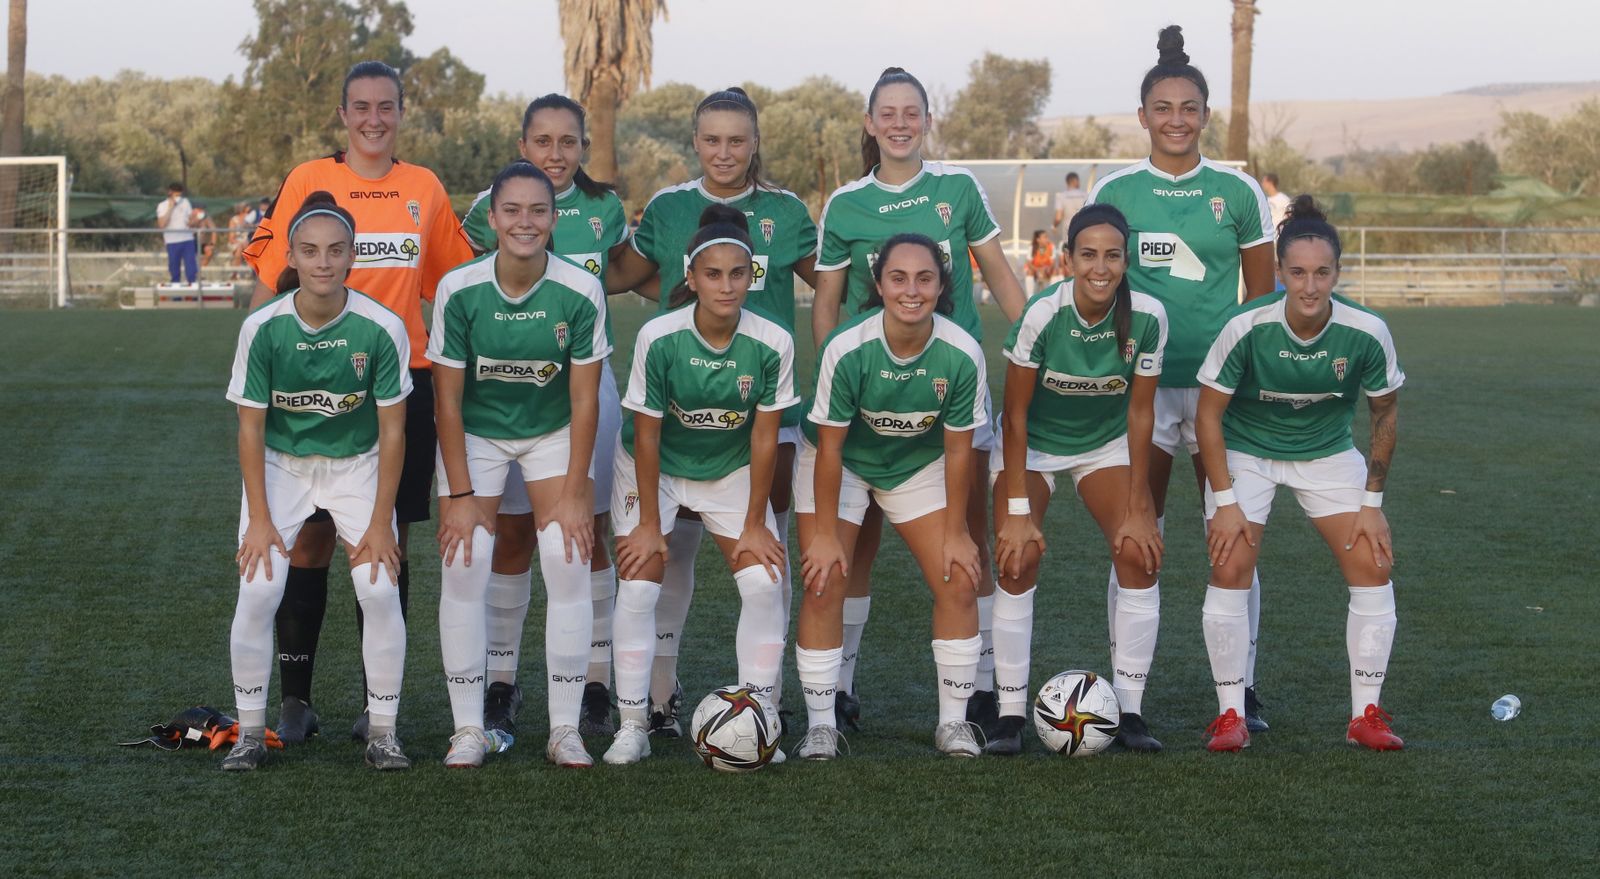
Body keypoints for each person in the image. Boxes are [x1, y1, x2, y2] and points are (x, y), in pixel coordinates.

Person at [242, 60, 475, 744]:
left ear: (401, 112)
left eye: (386, 106)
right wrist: (254, 367)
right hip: (313, 387)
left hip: (402, 386)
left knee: (385, 542)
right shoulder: (308, 180)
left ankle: (381, 707)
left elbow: (455, 285)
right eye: (362, 107)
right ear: (342, 115)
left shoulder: (424, 188)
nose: (375, 119)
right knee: (309, 540)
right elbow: (268, 281)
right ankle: (296, 701)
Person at [812, 67, 1027, 735]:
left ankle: (981, 687)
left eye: (913, 112)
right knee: (854, 549)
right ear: (870, 123)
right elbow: (826, 306)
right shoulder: (846, 203)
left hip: (951, 393)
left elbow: (1000, 276)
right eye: (889, 113)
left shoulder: (957, 189)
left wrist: (1036, 347)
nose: (901, 123)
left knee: (967, 538)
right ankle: (838, 691)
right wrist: (837, 379)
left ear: (927, 122)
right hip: (867, 396)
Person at [1085, 25, 1277, 746]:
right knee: (1137, 534)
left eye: (1188, 107)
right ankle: (1126, 694)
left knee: (1234, 538)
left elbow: (1262, 302)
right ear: (1142, 116)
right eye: (1163, 107)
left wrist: (1247, 380)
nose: (1176, 119)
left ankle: (1241, 687)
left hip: (1220, 394)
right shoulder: (1115, 191)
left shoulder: (1238, 191)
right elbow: (1096, 286)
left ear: (1205, 114)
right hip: (1139, 389)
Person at [605, 86, 817, 737]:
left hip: (761, 412)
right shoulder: (669, 207)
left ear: (755, 144)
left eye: (737, 140)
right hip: (677, 408)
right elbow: (621, 274)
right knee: (669, 557)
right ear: (696, 142)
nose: (724, 152)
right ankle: (657, 698)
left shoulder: (785, 210)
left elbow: (832, 280)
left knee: (767, 549)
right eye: (712, 140)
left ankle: (766, 700)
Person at [1195, 195, 1404, 752]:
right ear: (1280, 272)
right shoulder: (1246, 326)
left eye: (1322, 273)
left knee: (1373, 564)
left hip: (1327, 452)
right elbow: (1207, 416)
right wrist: (1226, 502)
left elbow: (1384, 415)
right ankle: (1231, 715)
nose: (1310, 287)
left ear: (1338, 272)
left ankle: (1365, 715)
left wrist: (1372, 504)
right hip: (1248, 450)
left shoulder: (1367, 331)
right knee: (1230, 563)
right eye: (1298, 273)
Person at [459, 94, 632, 741]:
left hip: (586, 387)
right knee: (510, 537)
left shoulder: (605, 209)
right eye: (543, 141)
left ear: (584, 146)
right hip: (504, 392)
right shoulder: (489, 207)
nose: (555, 154)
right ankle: (502, 683)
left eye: (568, 141)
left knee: (587, 532)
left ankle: (595, 683)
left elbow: (629, 273)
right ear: (522, 145)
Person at [221, 193, 411, 771]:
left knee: (379, 589)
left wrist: (380, 522)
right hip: (283, 466)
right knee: (259, 589)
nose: (323, 262)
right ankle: (250, 734)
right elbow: (250, 429)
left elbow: (393, 431)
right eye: (309, 251)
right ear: (292, 256)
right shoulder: (262, 328)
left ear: (352, 256)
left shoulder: (383, 327)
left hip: (358, 465)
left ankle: (383, 732)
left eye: (334, 250)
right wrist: (259, 520)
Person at [429, 162, 610, 768]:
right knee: (465, 559)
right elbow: (447, 402)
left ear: (554, 218)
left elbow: (585, 400)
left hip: (551, 432)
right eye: (512, 210)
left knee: (566, 554)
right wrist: (459, 496)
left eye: (537, 210)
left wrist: (578, 490)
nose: (524, 222)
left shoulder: (579, 289)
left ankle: (564, 730)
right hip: (477, 434)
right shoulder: (460, 288)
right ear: (492, 218)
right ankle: (467, 729)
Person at [793, 233, 989, 759]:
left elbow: (959, 451)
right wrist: (826, 535)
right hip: (841, 463)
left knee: (959, 577)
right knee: (824, 580)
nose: (911, 290)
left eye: (925, 278)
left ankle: (953, 723)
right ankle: (821, 725)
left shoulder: (962, 353)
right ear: (878, 285)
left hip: (915, 464)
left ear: (941, 285)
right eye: (898, 278)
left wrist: (957, 533)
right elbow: (830, 449)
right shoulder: (846, 348)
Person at [985, 204, 1167, 755]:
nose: (1100, 267)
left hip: (1103, 445)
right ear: (1067, 259)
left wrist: (1139, 504)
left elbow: (1140, 413)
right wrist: (1019, 514)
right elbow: (1016, 416)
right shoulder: (1043, 314)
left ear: (1127, 260)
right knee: (1017, 558)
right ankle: (1009, 714)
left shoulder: (1149, 317)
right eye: (1088, 254)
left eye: (1112, 255)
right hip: (1033, 447)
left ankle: (1130, 711)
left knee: (1138, 552)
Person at [157, 182, 198, 285]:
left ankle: (193, 290)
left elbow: (191, 221)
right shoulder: (162, 205)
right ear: (170, 193)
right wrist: (171, 207)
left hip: (187, 239)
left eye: (180, 195)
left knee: (191, 269)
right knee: (174, 269)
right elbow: (162, 224)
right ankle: (175, 291)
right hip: (172, 241)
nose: (178, 198)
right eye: (176, 195)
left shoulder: (186, 202)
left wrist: (193, 220)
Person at [1053, 171, 1087, 249]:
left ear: (1067, 182)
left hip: (1068, 231)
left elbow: (1058, 217)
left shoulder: (1061, 196)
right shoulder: (1085, 195)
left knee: (1069, 252)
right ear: (1076, 181)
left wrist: (1054, 226)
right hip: (1083, 230)